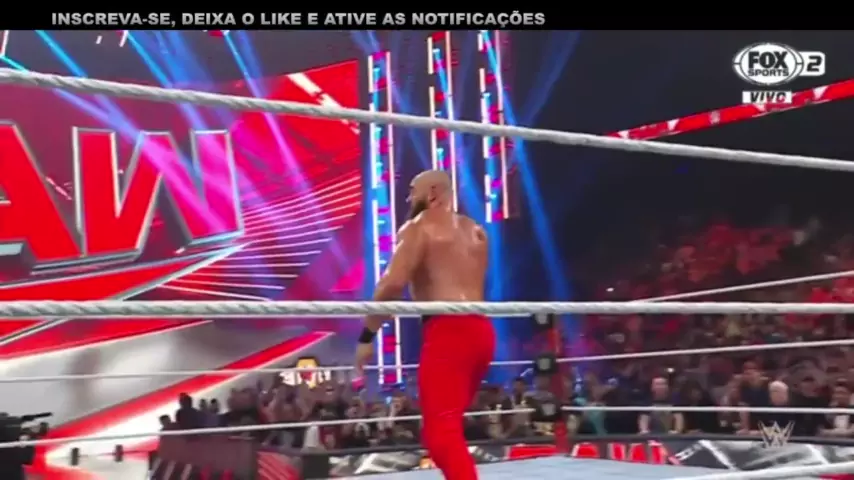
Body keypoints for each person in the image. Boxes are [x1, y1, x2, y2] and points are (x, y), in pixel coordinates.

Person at [355, 170, 495, 480]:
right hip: (481, 331)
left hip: (449, 332)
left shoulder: (419, 227)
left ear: (432, 192)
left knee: (441, 436)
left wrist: (367, 335)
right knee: (446, 428)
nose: (408, 198)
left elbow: (392, 284)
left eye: (412, 190)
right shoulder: (477, 232)